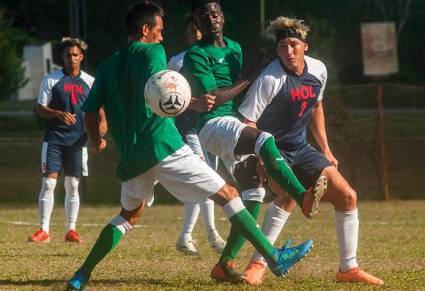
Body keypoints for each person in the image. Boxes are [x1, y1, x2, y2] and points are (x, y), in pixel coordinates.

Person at [67, 2, 314, 290]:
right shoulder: (153, 52)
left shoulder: (108, 65)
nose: (162, 37)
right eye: (159, 31)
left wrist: (98, 141)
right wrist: (193, 102)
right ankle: (274, 257)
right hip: (164, 145)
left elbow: (90, 114)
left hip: (132, 157)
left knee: (128, 216)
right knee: (230, 194)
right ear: (145, 30)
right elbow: (164, 86)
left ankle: (81, 274)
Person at [181, 0, 327, 283]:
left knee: (253, 195)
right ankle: (302, 197)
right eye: (203, 16)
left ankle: (224, 264)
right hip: (213, 126)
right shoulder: (196, 55)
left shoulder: (234, 48)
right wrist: (250, 75)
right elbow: (215, 100)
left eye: (215, 13)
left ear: (222, 16)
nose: (210, 18)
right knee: (265, 140)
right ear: (196, 22)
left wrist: (254, 73)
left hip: (233, 126)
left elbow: (246, 91)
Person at [238, 16, 384, 285]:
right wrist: (259, 155)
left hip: (301, 148)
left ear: (306, 46)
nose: (288, 51)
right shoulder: (270, 78)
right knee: (287, 198)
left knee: (348, 197)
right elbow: (248, 122)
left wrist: (326, 148)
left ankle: (348, 269)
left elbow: (316, 106)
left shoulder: (318, 70)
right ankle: (257, 264)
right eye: (282, 47)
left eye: (294, 45)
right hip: (273, 151)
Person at [168, 14, 226, 256]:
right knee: (207, 178)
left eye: (199, 30)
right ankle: (212, 235)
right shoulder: (177, 61)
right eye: (191, 31)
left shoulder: (214, 56)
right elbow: (169, 97)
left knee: (203, 182)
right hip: (188, 128)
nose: (195, 34)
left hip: (210, 126)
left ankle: (185, 236)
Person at [28, 37, 95, 244]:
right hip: (54, 140)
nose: (72, 58)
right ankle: (44, 230)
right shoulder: (51, 79)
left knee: (73, 185)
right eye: (68, 55)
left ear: (81, 57)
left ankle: (71, 230)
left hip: (78, 142)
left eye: (75, 55)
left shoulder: (90, 82)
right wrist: (57, 114)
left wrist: (97, 135)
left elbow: (97, 111)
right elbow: (39, 108)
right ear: (63, 58)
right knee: (48, 183)